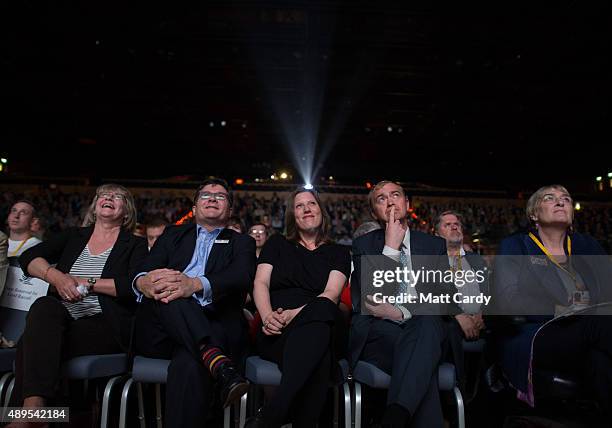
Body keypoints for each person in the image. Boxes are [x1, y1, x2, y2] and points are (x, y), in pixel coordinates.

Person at [10, 184, 147, 413]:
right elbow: (29, 257)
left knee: (30, 344)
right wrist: (57, 277)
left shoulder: (135, 244)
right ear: (94, 207)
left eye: (118, 196)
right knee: (44, 307)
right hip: (61, 319)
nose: (109, 197)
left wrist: (86, 282)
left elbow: (133, 285)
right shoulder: (74, 236)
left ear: (126, 213)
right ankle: (37, 414)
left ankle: (30, 414)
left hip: (106, 324)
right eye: (103, 195)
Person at [132, 178, 256, 428]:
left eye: (220, 196)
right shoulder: (172, 234)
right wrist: (142, 282)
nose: (212, 198)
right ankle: (218, 362)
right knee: (171, 292)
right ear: (195, 207)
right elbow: (143, 271)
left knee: (189, 364)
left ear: (229, 210)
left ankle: (211, 358)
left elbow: (241, 276)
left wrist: (194, 285)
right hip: (162, 330)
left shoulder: (241, 242)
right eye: (206, 195)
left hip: (214, 324)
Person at [493, 185, 612, 414]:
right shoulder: (516, 246)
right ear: (534, 215)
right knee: (601, 323)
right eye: (551, 198)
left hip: (592, 329)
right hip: (538, 330)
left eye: (566, 199)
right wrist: (559, 309)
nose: (561, 202)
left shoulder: (588, 245)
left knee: (600, 363)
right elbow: (508, 299)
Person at [349, 180, 458, 428]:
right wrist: (391, 248)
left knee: (426, 324)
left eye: (395, 195)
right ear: (374, 212)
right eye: (381, 198)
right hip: (380, 334)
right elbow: (370, 300)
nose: (389, 201)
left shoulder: (433, 245)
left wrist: (401, 311)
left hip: (423, 327)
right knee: (422, 363)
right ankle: (397, 417)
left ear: (407, 204)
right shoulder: (363, 245)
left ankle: (394, 418)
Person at [247, 188, 350, 428]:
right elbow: (260, 283)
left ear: (321, 211)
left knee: (324, 309)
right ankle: (281, 415)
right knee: (320, 353)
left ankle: (274, 414)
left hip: (314, 316)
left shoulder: (338, 252)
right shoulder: (277, 244)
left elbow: (332, 294)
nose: (306, 209)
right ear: (292, 215)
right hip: (277, 329)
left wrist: (294, 315)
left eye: (311, 204)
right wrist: (267, 317)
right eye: (299, 206)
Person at [435, 210, 488, 340]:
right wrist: (458, 315)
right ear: (437, 235)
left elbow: (488, 292)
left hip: (481, 324)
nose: (454, 227)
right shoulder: (433, 261)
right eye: (447, 225)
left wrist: (481, 314)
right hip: (448, 325)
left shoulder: (476, 260)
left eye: (457, 224)